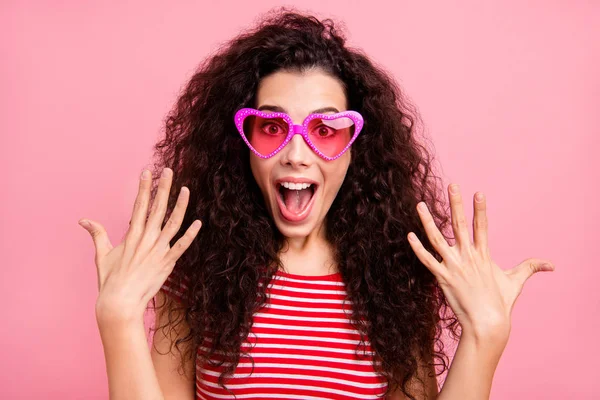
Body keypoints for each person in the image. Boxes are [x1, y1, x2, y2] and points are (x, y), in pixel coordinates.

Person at [79, 8, 555, 400]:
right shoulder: (198, 268)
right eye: (272, 127)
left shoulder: (394, 277)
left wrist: (485, 337)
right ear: (241, 142)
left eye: (325, 132)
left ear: (355, 147)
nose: (296, 154)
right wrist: (118, 317)